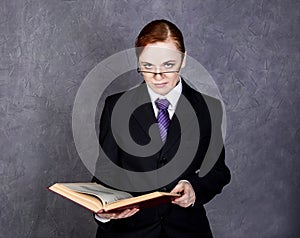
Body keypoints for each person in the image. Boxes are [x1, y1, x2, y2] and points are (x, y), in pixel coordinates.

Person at [92, 19, 230, 238]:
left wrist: (193, 189)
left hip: (186, 231)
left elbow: (218, 171)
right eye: (148, 66)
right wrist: (105, 213)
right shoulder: (115, 107)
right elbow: (106, 175)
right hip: (128, 232)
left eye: (168, 64)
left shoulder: (208, 109)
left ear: (183, 59)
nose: (158, 76)